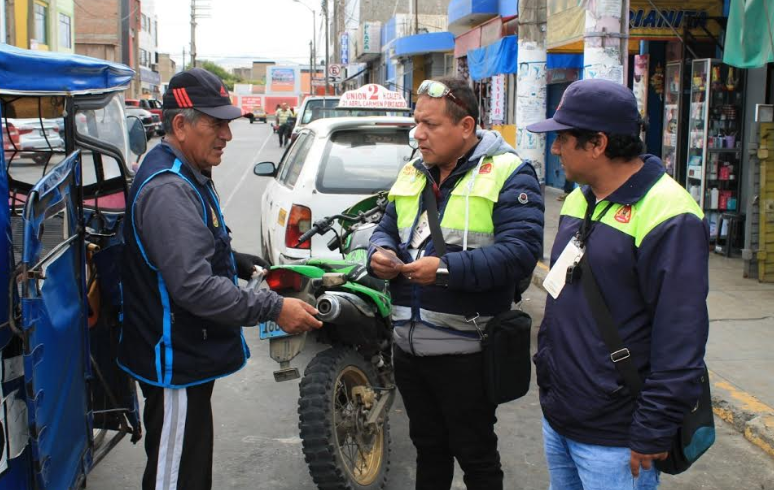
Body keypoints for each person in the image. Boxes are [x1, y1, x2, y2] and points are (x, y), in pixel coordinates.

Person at [117, 68, 322, 490]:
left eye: (228, 123)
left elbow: (196, 247)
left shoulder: (185, 169)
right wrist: (275, 307)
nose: (227, 134)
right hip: (174, 361)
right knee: (173, 477)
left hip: (188, 357)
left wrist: (240, 262)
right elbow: (192, 285)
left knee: (189, 470)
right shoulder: (169, 188)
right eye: (216, 123)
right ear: (180, 124)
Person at [526, 79, 710, 489]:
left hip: (617, 436)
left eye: (563, 138)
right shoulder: (579, 198)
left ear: (597, 144)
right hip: (562, 416)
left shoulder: (670, 212)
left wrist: (653, 427)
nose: (555, 148)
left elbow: (681, 336)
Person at [368, 77, 544, 490]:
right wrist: (380, 252)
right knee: (428, 449)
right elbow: (386, 227)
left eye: (430, 125)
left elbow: (520, 252)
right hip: (409, 345)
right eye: (416, 123)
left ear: (466, 127)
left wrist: (445, 270)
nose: (418, 134)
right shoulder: (414, 172)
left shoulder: (509, 172)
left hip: (468, 349)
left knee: (476, 455)